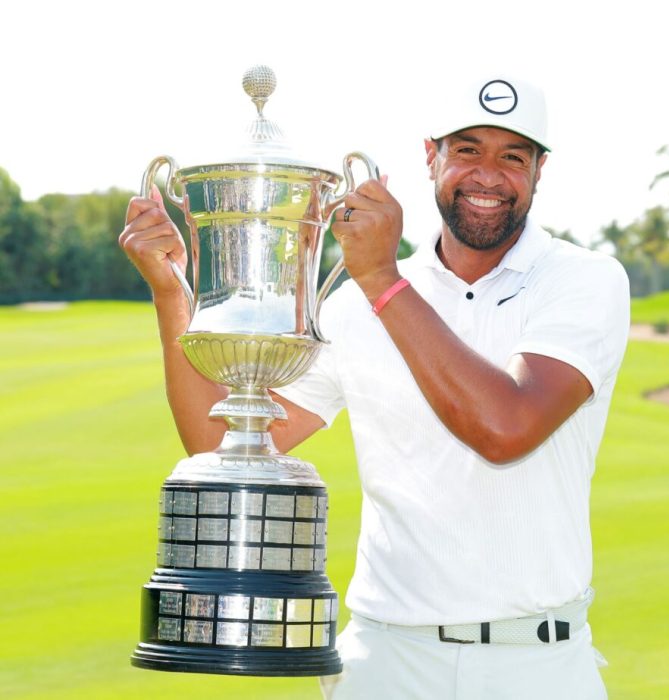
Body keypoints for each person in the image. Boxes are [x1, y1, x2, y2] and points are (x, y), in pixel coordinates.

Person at [120, 72, 629, 699]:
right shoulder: (354, 302)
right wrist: (171, 290)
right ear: (431, 156)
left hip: (536, 664)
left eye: (513, 157)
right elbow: (212, 440)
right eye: (468, 150)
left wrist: (383, 280)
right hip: (384, 659)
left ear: (539, 170)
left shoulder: (583, 280)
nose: (488, 176)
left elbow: (506, 428)